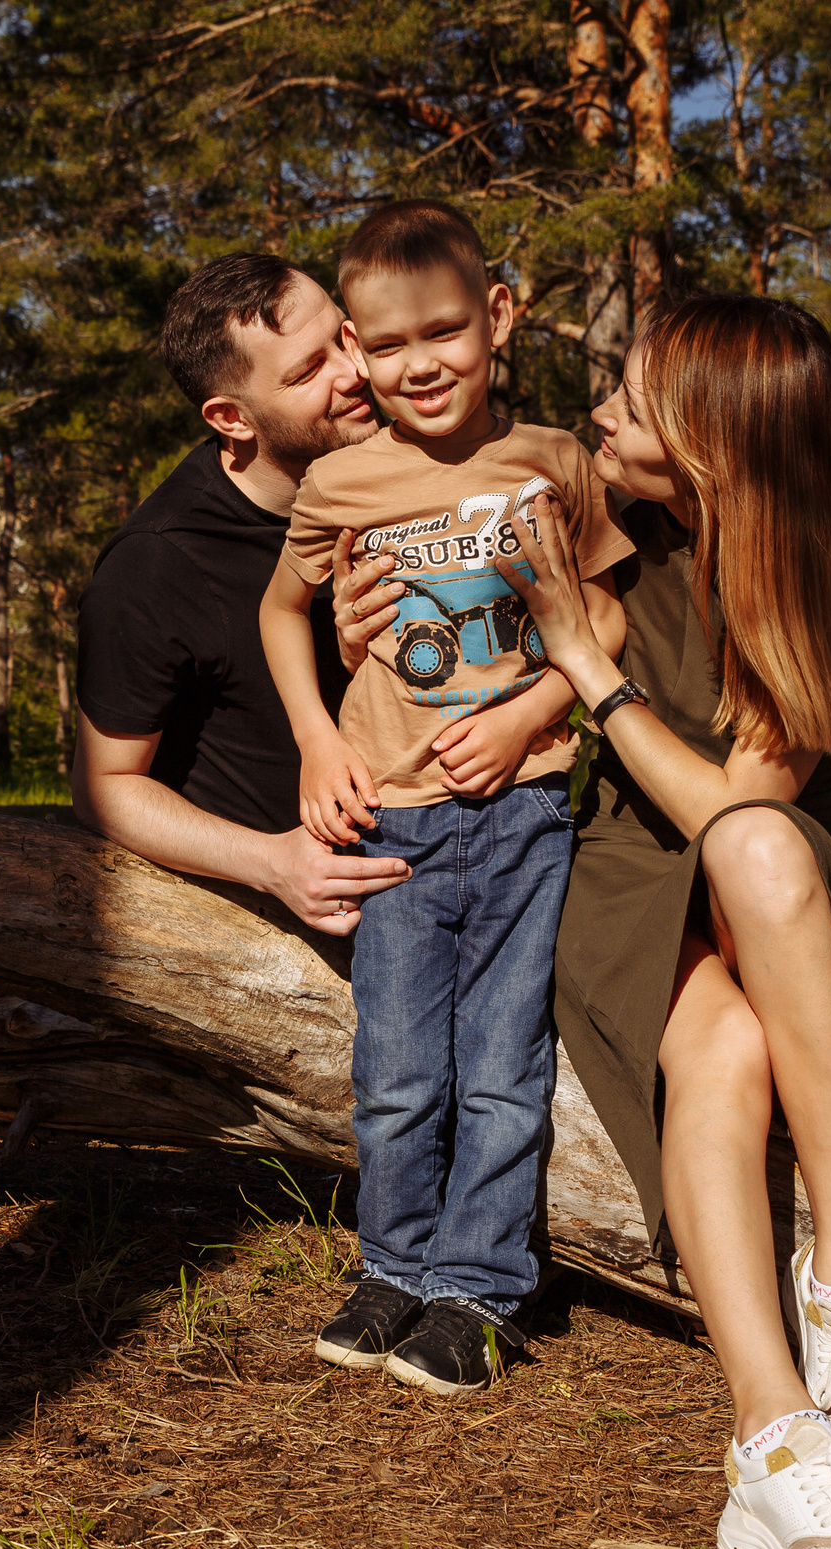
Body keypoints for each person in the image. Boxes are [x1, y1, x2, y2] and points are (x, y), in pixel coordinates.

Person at [491, 293, 831, 1549]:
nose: (603, 420)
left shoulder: (813, 561)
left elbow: (738, 808)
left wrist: (596, 671)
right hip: (621, 885)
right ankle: (774, 1426)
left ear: (713, 448)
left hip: (762, 875)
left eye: (632, 406)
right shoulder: (594, 523)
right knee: (729, 1043)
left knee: (757, 844)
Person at [259, 200, 634, 1397]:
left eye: (445, 331)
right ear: (357, 354)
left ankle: (478, 1288)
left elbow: (607, 612)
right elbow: (279, 614)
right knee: (402, 1068)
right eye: (387, 343)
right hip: (393, 824)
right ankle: (393, 1267)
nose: (420, 363)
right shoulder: (339, 480)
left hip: (523, 815)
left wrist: (536, 715)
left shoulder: (554, 463)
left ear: (499, 316)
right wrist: (318, 742)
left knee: (503, 1066)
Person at [72, 252, 413, 935]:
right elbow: (104, 788)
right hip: (276, 931)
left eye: (344, 339)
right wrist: (275, 864)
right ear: (232, 418)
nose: (354, 374)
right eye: (307, 371)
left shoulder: (405, 474)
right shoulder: (158, 564)